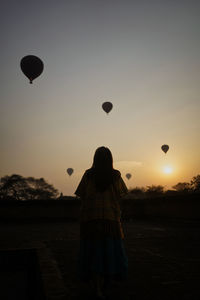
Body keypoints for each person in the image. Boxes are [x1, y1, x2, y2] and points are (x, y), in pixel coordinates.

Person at [75, 146, 128, 299]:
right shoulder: (116, 175)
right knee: (109, 252)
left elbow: (81, 195)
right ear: (110, 159)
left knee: (93, 253)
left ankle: (97, 287)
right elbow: (121, 195)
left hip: (90, 219)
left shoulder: (88, 175)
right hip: (110, 219)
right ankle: (108, 283)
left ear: (95, 159)